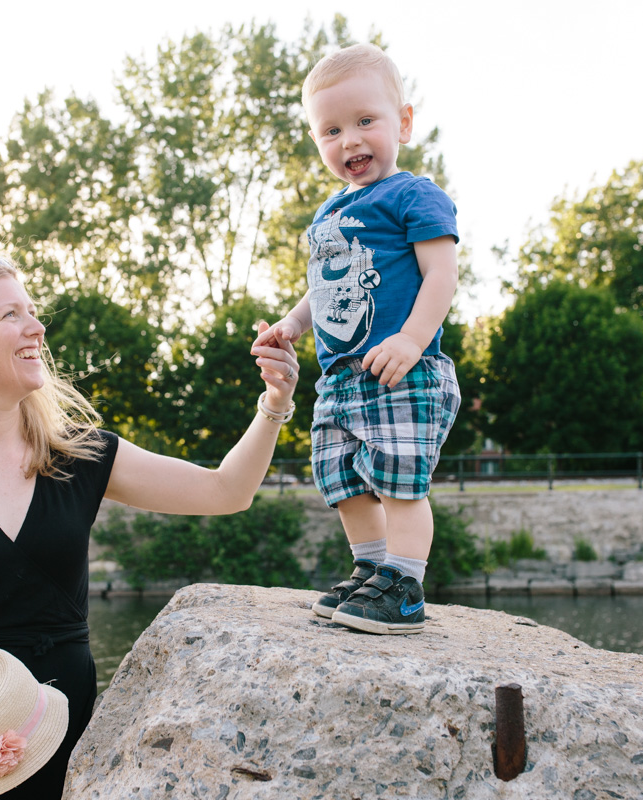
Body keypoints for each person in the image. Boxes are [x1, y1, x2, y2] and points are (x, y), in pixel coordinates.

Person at [0, 249, 299, 799]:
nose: (36, 327)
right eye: (10, 315)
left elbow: (227, 491)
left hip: (60, 754)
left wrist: (274, 402)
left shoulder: (84, 458)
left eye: (31, 311)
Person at [252, 43, 461, 635]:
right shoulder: (327, 213)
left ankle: (406, 583)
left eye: (365, 121)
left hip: (403, 369)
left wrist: (414, 340)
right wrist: (293, 324)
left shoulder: (414, 195)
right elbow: (320, 288)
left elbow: (441, 276)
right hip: (342, 378)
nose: (350, 141)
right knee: (340, 477)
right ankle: (371, 569)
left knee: (400, 477)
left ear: (404, 122)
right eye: (331, 130)